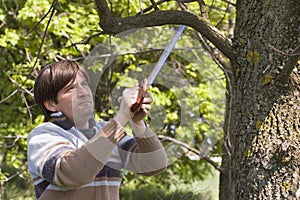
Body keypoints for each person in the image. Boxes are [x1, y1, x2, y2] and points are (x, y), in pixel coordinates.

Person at [27, 60, 168, 200]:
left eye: (84, 84)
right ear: (51, 104)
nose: (83, 92)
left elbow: (155, 164)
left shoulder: (106, 131)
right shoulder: (43, 136)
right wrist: (122, 116)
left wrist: (137, 122)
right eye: (71, 88)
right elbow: (74, 173)